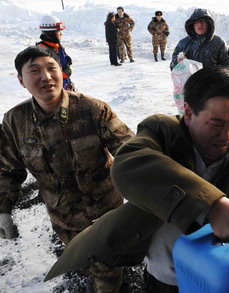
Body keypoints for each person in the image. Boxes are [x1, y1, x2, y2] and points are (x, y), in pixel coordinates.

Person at [43, 66, 229, 292]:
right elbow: (128, 164)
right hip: (158, 274)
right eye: (216, 124)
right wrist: (212, 205)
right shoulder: (163, 131)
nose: (226, 136)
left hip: (210, 279)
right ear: (188, 113)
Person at [0, 46, 135, 292]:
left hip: (105, 216)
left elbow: (130, 153)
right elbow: (8, 169)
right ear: (21, 80)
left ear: (62, 72)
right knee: (84, 264)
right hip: (63, 220)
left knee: (107, 276)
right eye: (34, 71)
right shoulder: (14, 122)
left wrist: (149, 191)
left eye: (52, 68)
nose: (46, 77)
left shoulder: (92, 109)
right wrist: (3, 209)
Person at [37, 14, 74, 90]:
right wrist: (64, 74)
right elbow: (48, 74)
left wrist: (68, 64)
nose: (61, 34)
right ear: (50, 33)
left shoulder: (58, 46)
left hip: (65, 87)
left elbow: (66, 63)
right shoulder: (42, 51)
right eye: (58, 31)